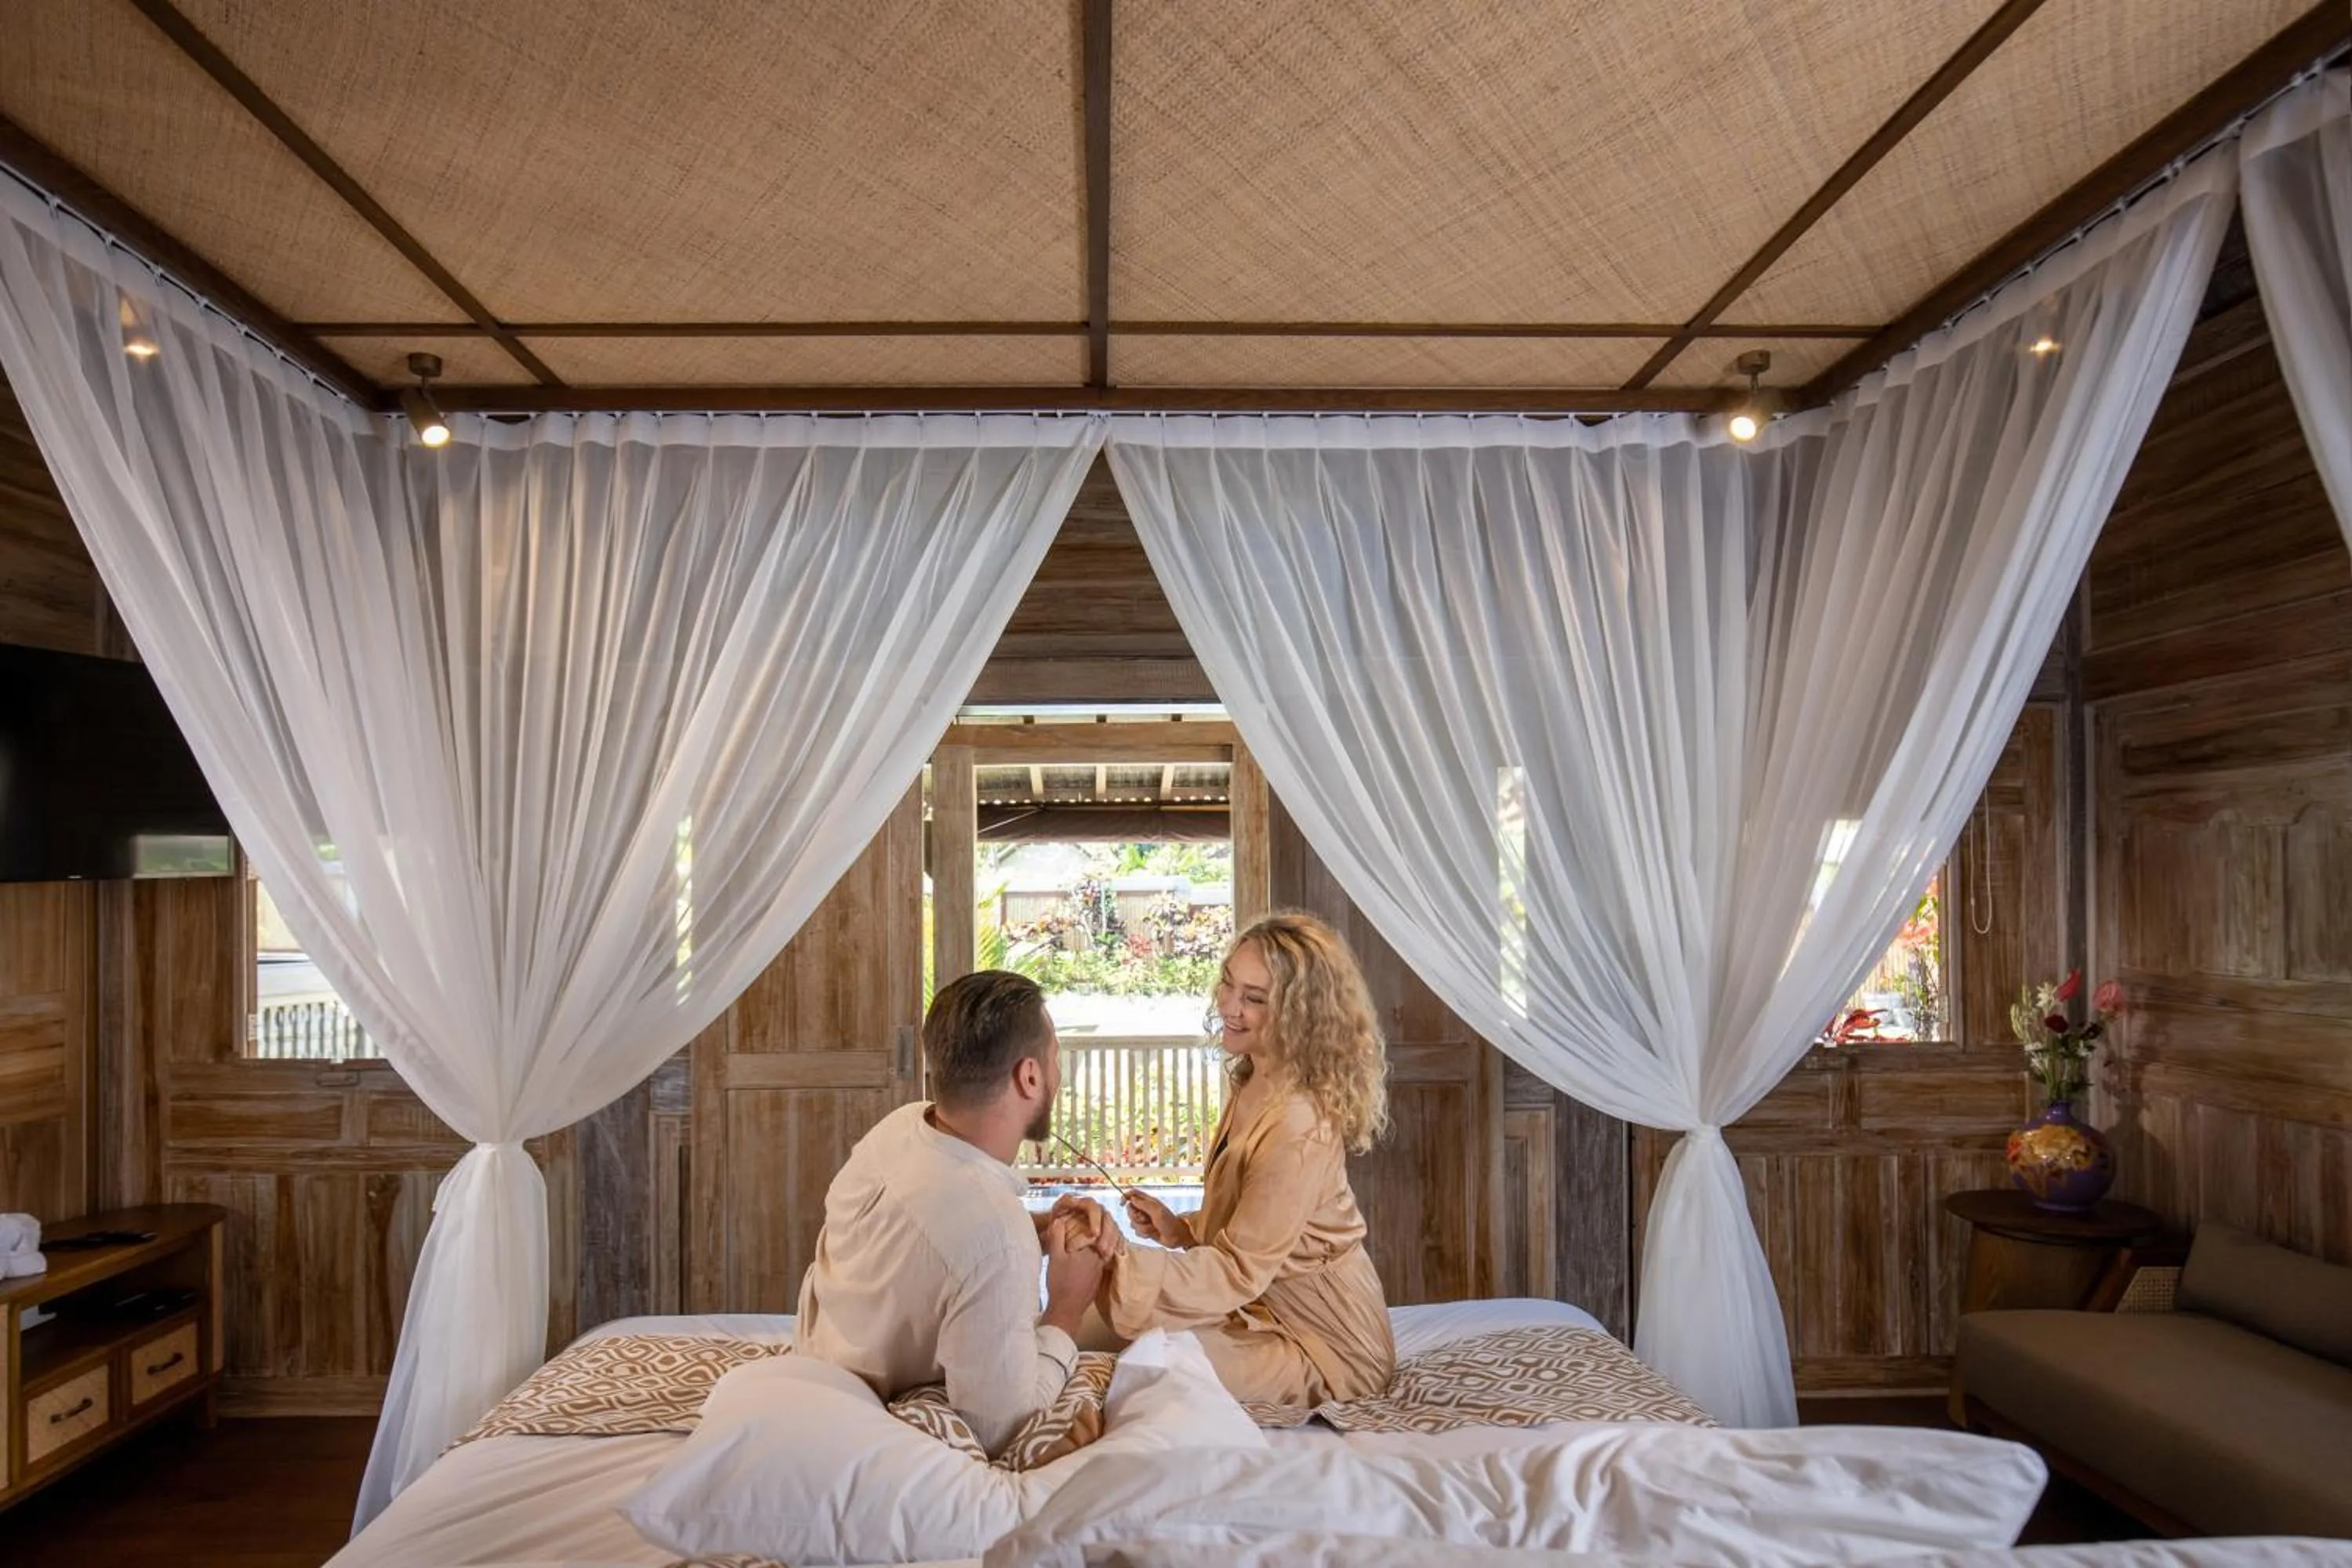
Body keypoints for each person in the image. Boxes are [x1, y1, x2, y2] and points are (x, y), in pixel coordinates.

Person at [795, 969, 1112, 1457]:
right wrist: (1066, 1306)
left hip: (821, 1353)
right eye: (1055, 1059)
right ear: (1029, 1077)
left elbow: (932, 1247)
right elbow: (1001, 1425)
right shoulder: (995, 1236)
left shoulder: (899, 1128)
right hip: (855, 1436)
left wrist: (1040, 1227)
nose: (1057, 1073)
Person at [1091, 911, 1396, 1405]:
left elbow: (1238, 1270)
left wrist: (1120, 1263)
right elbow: (1261, 1230)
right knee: (1088, 1325)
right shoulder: (1255, 1076)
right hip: (1257, 1305)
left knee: (1153, 1366)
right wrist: (1179, 1230)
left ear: (1301, 1014)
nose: (1230, 1006)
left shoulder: (1299, 1124)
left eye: (1253, 999)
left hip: (1323, 1341)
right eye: (1228, 984)